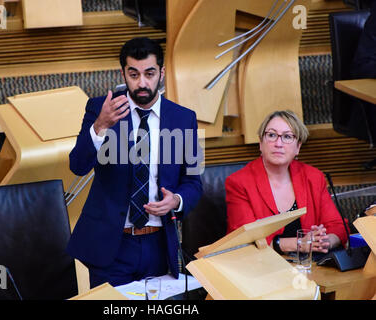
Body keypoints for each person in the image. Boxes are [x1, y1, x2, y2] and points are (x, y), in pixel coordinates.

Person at [66, 37, 203, 288]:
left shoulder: (183, 119)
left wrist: (177, 200)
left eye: (149, 73)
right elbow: (77, 165)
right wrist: (100, 126)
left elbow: (193, 182)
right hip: (112, 245)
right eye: (134, 74)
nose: (142, 83)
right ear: (123, 73)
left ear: (161, 73)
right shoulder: (101, 109)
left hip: (159, 244)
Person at [225, 110, 347, 255]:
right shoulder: (239, 183)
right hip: (259, 268)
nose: (278, 143)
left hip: (309, 267)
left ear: (298, 147)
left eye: (287, 137)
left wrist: (324, 241)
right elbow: (244, 240)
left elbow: (338, 226)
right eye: (271, 135)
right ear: (260, 143)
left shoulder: (313, 177)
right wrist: (299, 243)